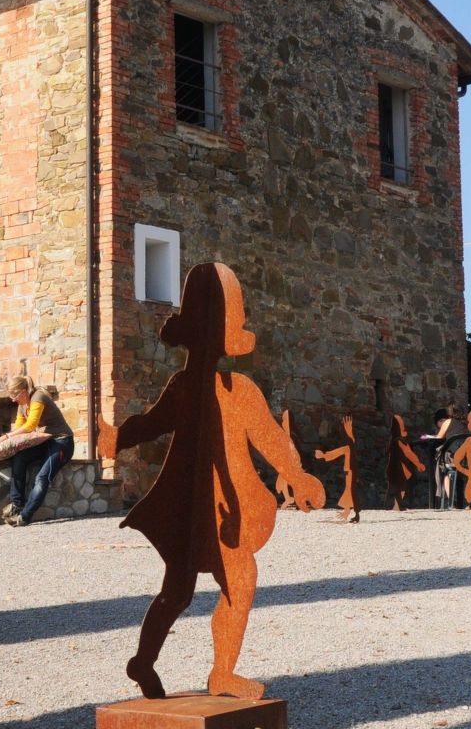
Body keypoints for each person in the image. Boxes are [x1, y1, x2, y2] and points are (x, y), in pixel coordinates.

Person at [98, 261, 325, 698]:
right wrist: (115, 438)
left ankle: (213, 671)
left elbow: (270, 439)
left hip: (227, 511)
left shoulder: (235, 390)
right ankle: (152, 663)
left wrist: (296, 475)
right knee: (182, 591)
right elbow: (151, 424)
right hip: (198, 506)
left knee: (225, 584)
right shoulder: (190, 388)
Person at [4, 376, 75, 527]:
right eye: (11, 396)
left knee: (42, 478)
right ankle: (16, 504)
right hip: (45, 442)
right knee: (19, 458)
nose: (13, 400)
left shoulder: (38, 397)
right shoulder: (22, 405)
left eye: (14, 396)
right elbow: (19, 427)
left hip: (62, 443)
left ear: (23, 392)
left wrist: (7, 436)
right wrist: (3, 441)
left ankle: (24, 516)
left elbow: (31, 425)